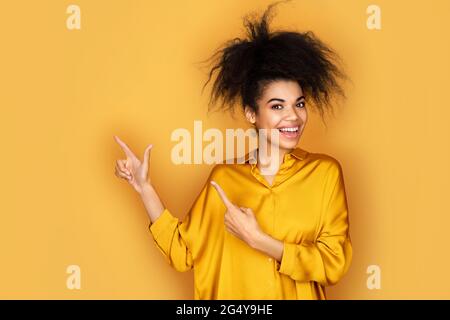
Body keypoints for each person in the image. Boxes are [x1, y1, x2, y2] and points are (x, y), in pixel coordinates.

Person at [114, 1, 352, 299]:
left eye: (299, 104)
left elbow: (334, 263)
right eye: (277, 106)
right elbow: (182, 253)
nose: (293, 116)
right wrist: (144, 188)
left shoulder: (325, 173)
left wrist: (260, 240)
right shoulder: (224, 180)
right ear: (252, 113)